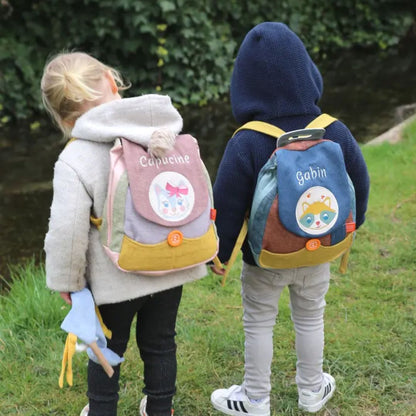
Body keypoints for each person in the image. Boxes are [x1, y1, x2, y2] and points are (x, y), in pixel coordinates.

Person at [210, 22, 370, 415]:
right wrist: (351, 226)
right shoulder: (333, 129)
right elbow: (360, 181)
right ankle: (312, 391)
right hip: (320, 249)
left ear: (243, 83)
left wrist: (220, 253)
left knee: (259, 322)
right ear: (306, 72)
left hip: (265, 256)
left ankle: (256, 398)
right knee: (311, 317)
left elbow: (226, 204)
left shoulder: (247, 139)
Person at [41, 51, 208, 416]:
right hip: (169, 261)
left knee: (106, 347)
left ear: (62, 117)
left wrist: (68, 283)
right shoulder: (161, 130)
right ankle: (160, 408)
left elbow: (66, 231)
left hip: (115, 278)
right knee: (161, 343)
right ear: (113, 83)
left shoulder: (75, 158)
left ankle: (103, 411)